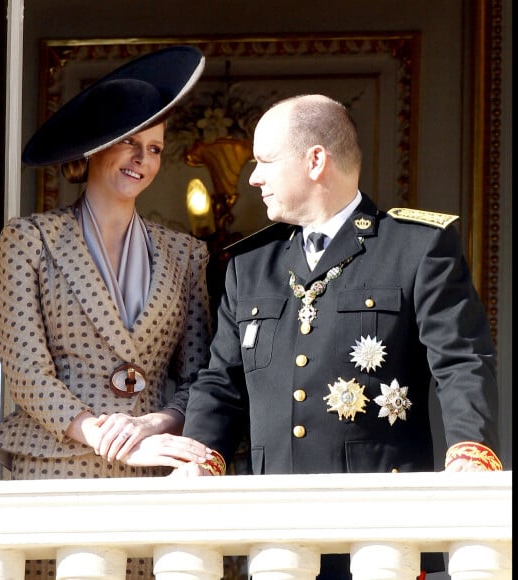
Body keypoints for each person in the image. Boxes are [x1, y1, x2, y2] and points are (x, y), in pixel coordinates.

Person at [175, 94, 503, 578]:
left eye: (264, 161)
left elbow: (462, 362)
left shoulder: (416, 248)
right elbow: (220, 384)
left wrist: (471, 455)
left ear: (314, 160)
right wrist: (199, 460)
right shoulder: (249, 267)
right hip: (275, 535)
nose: (254, 178)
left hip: (379, 534)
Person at [0, 45, 219, 579]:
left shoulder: (186, 254)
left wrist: (161, 422)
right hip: (53, 472)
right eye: (129, 143)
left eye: (154, 149)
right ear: (91, 150)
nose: (142, 160)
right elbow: (25, 371)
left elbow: (200, 372)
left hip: (157, 473)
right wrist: (98, 433)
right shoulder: (30, 239)